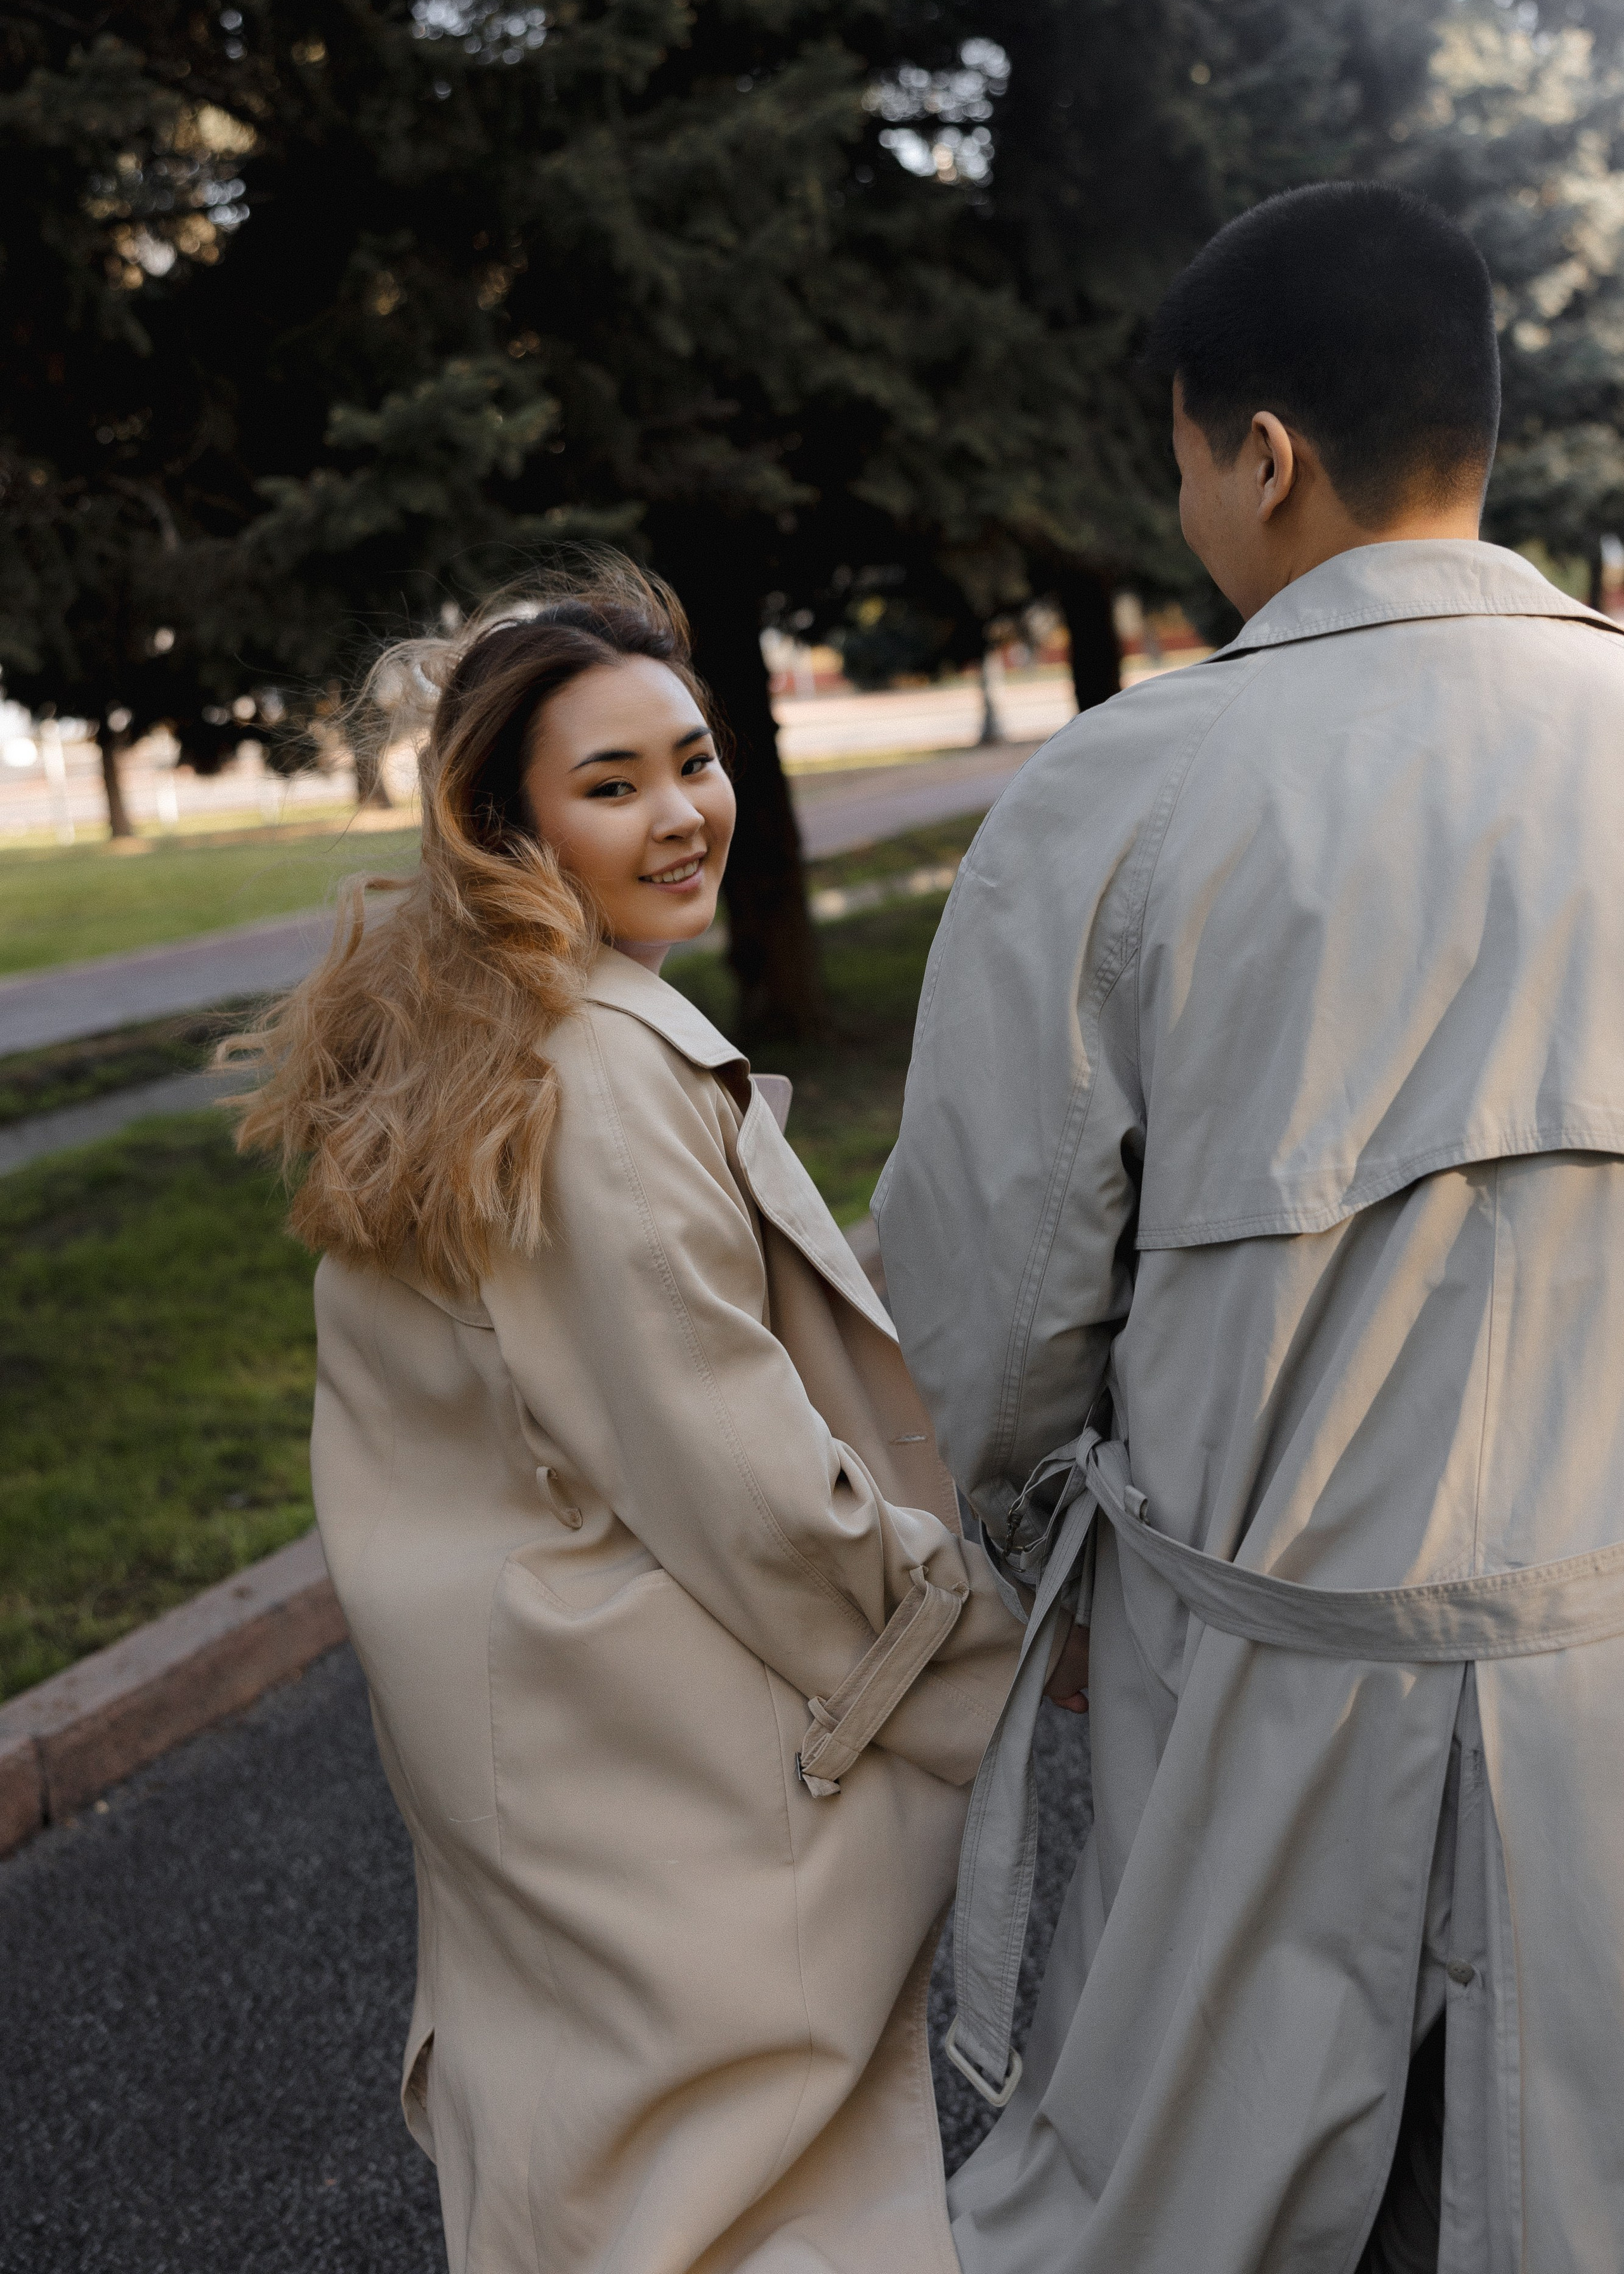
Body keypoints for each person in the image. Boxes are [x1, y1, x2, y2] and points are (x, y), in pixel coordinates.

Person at [875, 184, 1624, 2272]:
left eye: (1184, 454)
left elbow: (977, 1324)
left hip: (1260, 1718)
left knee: (1241, 2201)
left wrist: (1033, 1567)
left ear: (1261, 454)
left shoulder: (1123, 797)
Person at [230, 557, 1023, 2274]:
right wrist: (987, 1652)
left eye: (697, 756)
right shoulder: (587, 1074)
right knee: (748, 2206)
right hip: (675, 1775)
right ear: (505, 828)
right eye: (611, 784)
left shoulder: (482, 1040)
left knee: (606, 2188)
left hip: (553, 1755)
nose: (683, 814)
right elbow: (743, 1483)